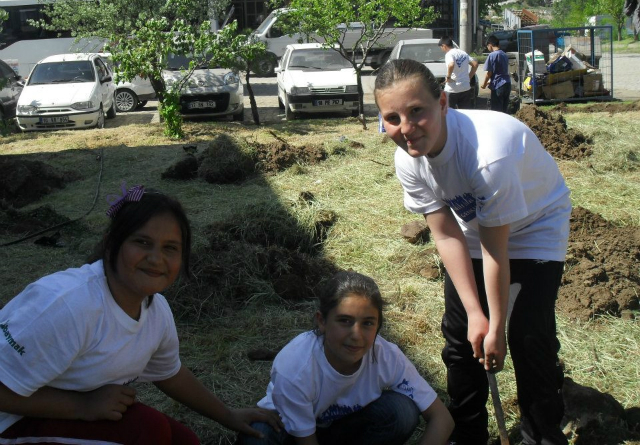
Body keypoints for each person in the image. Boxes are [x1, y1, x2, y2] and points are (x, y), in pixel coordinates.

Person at [374, 59, 571, 445]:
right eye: (392, 118)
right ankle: (467, 433)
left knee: (528, 335)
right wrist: (476, 315)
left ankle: (541, 434)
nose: (407, 129)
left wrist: (495, 324)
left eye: (417, 112)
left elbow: (498, 250)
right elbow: (446, 234)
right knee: (462, 336)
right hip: (472, 224)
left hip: (535, 224)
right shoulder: (408, 160)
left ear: (443, 103)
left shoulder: (487, 154)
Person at [0, 184, 281, 444]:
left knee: (185, 441)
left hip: (64, 412)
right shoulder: (68, 305)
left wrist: (228, 415)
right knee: (148, 433)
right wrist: (83, 407)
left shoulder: (155, 309)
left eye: (170, 248)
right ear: (111, 243)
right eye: (142, 243)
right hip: (11, 421)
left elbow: (169, 374)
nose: (157, 259)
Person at [239, 270, 454, 445]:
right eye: (344, 321)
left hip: (340, 430)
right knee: (257, 437)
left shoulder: (386, 356)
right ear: (322, 321)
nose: (356, 335)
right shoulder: (296, 367)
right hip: (288, 431)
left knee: (402, 411)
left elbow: (442, 418)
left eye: (368, 323)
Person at [438, 36, 478, 110]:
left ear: (444, 46)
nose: (442, 49)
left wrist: (448, 77)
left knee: (449, 113)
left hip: (452, 89)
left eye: (441, 47)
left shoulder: (449, 54)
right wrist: (469, 77)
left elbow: (451, 64)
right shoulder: (463, 53)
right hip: (465, 87)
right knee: (465, 113)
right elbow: (475, 64)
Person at [481, 35, 512, 113]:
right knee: (504, 111)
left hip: (498, 85)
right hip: (507, 84)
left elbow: (489, 73)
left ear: (490, 45)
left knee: (497, 112)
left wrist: (484, 84)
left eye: (487, 46)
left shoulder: (492, 55)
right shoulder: (504, 54)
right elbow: (500, 71)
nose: (488, 49)